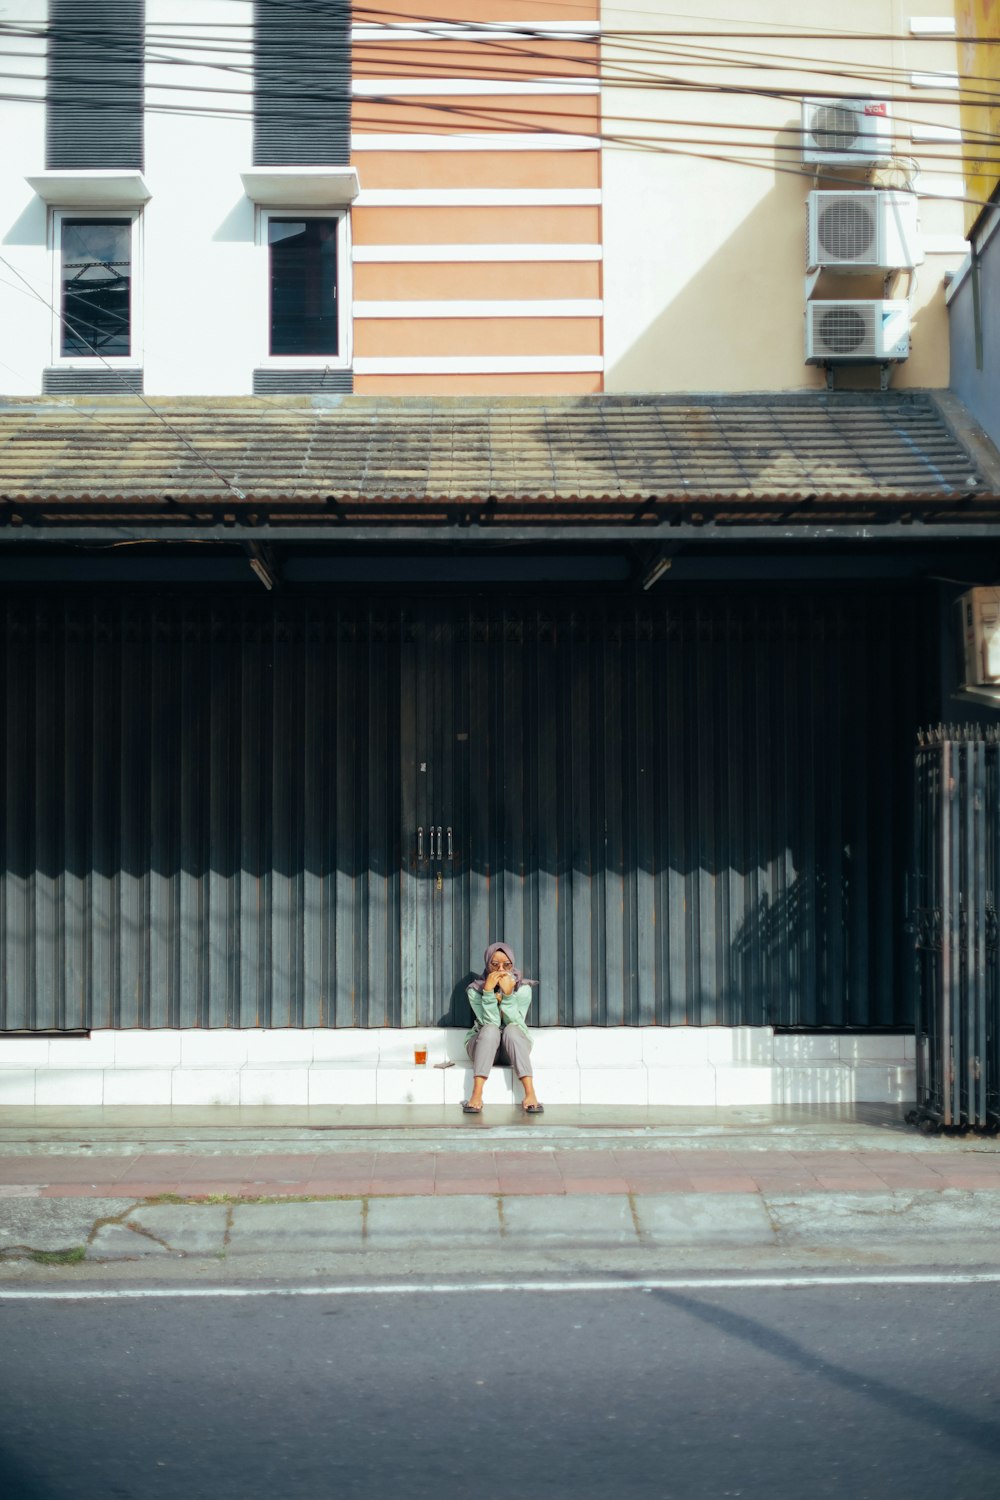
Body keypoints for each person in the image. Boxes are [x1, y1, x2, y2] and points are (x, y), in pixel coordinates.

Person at [462, 941, 543, 1115]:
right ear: (487, 964)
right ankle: (476, 1094)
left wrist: (508, 995)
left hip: (511, 1048)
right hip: (482, 1045)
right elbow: (489, 1021)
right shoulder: (475, 990)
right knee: (491, 1029)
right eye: (495, 964)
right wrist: (488, 993)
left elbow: (514, 1021)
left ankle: (530, 1093)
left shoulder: (523, 989)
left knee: (512, 1030)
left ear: (513, 965)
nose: (501, 969)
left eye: (507, 965)